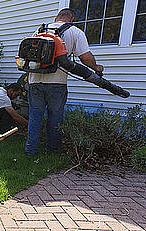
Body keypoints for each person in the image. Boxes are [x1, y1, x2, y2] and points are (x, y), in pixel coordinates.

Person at [25, 8, 104, 155]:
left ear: (57, 18)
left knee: (35, 116)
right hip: (57, 83)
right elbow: (85, 57)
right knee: (55, 117)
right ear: (72, 18)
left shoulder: (40, 30)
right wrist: (96, 67)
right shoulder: (75, 32)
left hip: (35, 80)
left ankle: (31, 150)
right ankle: (52, 149)